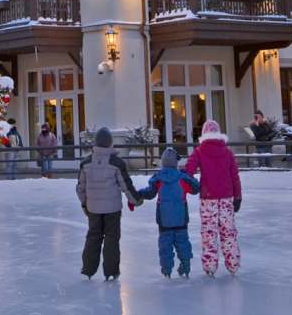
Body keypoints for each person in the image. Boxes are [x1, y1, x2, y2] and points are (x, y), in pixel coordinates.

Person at [76, 127, 141, 281]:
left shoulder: (86, 163)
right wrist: (136, 200)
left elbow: (80, 188)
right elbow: (126, 185)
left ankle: (88, 269)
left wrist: (85, 204)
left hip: (93, 209)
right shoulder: (116, 163)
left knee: (93, 237)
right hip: (112, 210)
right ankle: (111, 271)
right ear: (110, 143)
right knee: (112, 239)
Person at [184, 119, 242, 277]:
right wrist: (238, 196)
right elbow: (234, 176)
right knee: (228, 231)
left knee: (209, 232)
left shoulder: (199, 151)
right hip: (226, 198)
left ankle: (210, 265)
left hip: (208, 198)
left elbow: (188, 171)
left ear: (204, 134)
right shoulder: (227, 152)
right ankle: (233, 264)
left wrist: (192, 187)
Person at [138, 147, 200, 278]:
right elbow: (196, 188)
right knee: (182, 242)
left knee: (165, 245)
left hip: (164, 220)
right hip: (181, 219)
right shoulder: (182, 178)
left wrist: (138, 194)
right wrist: (188, 175)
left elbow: (150, 193)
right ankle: (186, 265)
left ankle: (167, 270)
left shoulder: (158, 178)